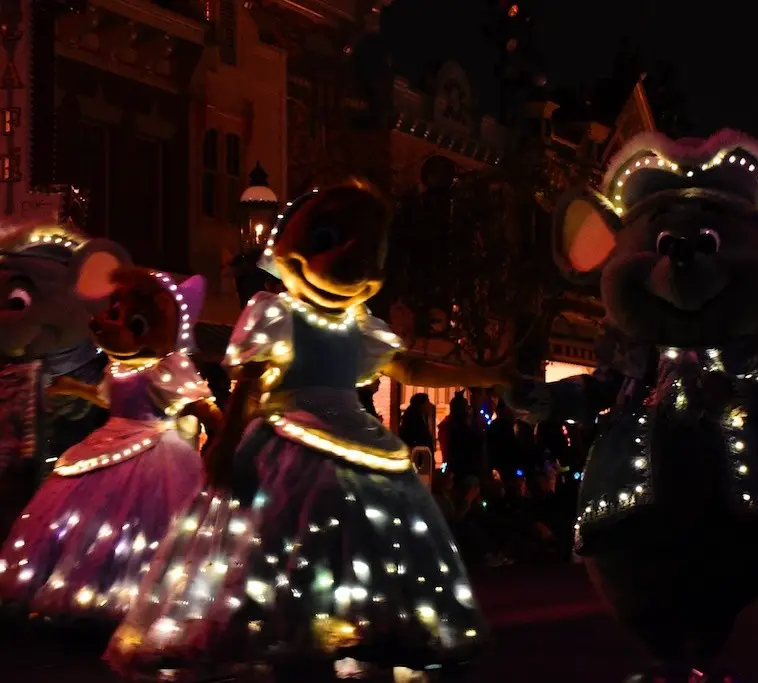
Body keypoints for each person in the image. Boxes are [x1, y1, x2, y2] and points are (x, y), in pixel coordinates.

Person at [106, 180, 499, 682]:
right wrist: (225, 443)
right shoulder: (276, 312)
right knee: (276, 544)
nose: (347, 260)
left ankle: (351, 629)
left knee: (356, 545)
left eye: (367, 251)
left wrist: (487, 374)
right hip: (286, 442)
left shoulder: (361, 325)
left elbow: (410, 367)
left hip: (355, 437)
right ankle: (289, 633)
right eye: (328, 239)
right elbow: (247, 383)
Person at [0, 268, 218, 620]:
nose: (109, 324)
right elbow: (108, 399)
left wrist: (224, 433)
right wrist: (75, 388)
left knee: (146, 520)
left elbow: (200, 406)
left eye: (131, 322)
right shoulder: (116, 367)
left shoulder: (165, 368)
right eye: (113, 312)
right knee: (86, 516)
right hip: (109, 439)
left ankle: (138, 591)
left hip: (153, 449)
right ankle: (80, 586)